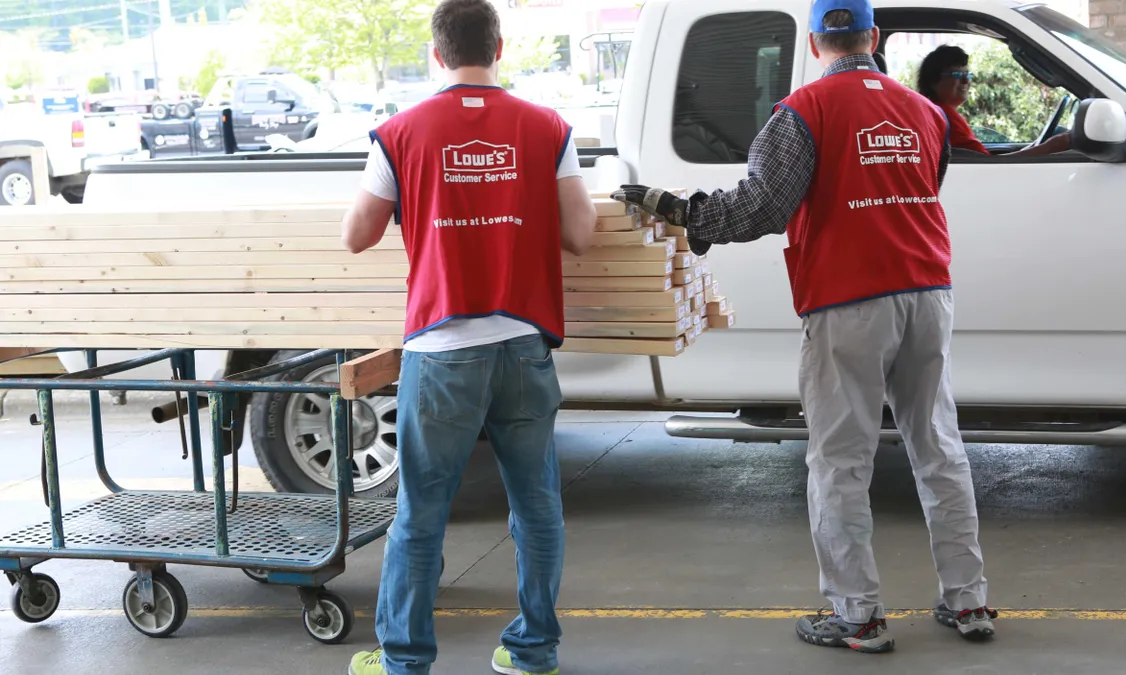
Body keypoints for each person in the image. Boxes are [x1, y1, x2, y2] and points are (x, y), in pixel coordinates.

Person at [612, 0, 995, 654]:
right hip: (928, 293)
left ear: (816, 43)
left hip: (850, 301)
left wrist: (677, 209)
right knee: (938, 443)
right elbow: (928, 183)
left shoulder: (804, 114)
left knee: (841, 459)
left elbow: (760, 207)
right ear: (872, 37)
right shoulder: (927, 112)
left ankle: (860, 616)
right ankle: (970, 601)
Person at [339, 0, 596, 672]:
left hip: (442, 350)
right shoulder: (548, 128)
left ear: (437, 53)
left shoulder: (399, 133)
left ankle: (405, 660)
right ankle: (533, 650)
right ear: (500, 48)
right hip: (523, 344)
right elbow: (579, 233)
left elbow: (356, 235)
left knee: (421, 514)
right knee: (536, 506)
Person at [917, 44, 1070, 156]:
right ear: (933, 80)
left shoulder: (942, 113)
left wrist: (1036, 146)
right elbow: (988, 167)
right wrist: (1051, 146)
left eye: (968, 75)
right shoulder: (943, 118)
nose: (966, 81)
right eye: (957, 75)